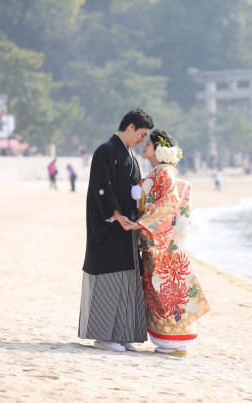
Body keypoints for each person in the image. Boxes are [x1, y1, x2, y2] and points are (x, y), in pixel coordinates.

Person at [78, 108, 154, 352]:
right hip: (109, 225)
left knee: (127, 278)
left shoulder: (130, 157)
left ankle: (121, 334)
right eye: (142, 134)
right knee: (109, 277)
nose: (143, 139)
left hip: (127, 227)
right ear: (130, 126)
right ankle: (103, 336)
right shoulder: (105, 150)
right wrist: (117, 215)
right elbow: (101, 188)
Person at [132, 129, 210, 355]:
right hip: (160, 240)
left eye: (150, 143)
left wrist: (141, 223)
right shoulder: (160, 171)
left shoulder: (163, 172)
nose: (145, 145)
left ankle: (174, 341)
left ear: (160, 150)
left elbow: (167, 203)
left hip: (161, 242)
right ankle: (173, 342)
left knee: (165, 289)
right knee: (166, 288)